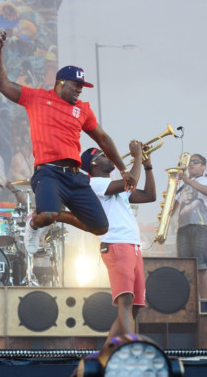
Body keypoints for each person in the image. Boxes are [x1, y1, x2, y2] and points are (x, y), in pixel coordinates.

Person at [0, 30, 135, 253]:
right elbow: (1, 83)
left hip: (75, 176)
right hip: (48, 172)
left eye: (81, 87)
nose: (79, 90)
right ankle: (34, 223)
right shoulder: (36, 98)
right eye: (75, 85)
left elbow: (103, 138)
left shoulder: (82, 110)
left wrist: (124, 169)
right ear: (60, 82)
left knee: (101, 227)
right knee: (47, 214)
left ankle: (55, 216)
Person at [80, 140, 155, 343]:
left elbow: (150, 196)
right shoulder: (94, 184)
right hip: (116, 243)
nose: (110, 157)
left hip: (133, 245)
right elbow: (131, 182)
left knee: (135, 306)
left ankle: (106, 353)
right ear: (94, 164)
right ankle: (131, 348)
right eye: (104, 156)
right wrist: (138, 155)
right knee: (126, 301)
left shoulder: (117, 187)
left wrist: (148, 166)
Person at [175, 154, 207, 298]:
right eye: (189, 162)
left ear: (203, 166)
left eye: (195, 161)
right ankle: (187, 302)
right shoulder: (181, 184)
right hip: (182, 228)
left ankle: (204, 303)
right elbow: (173, 206)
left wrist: (189, 181)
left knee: (201, 266)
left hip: (201, 226)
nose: (191, 164)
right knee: (184, 268)